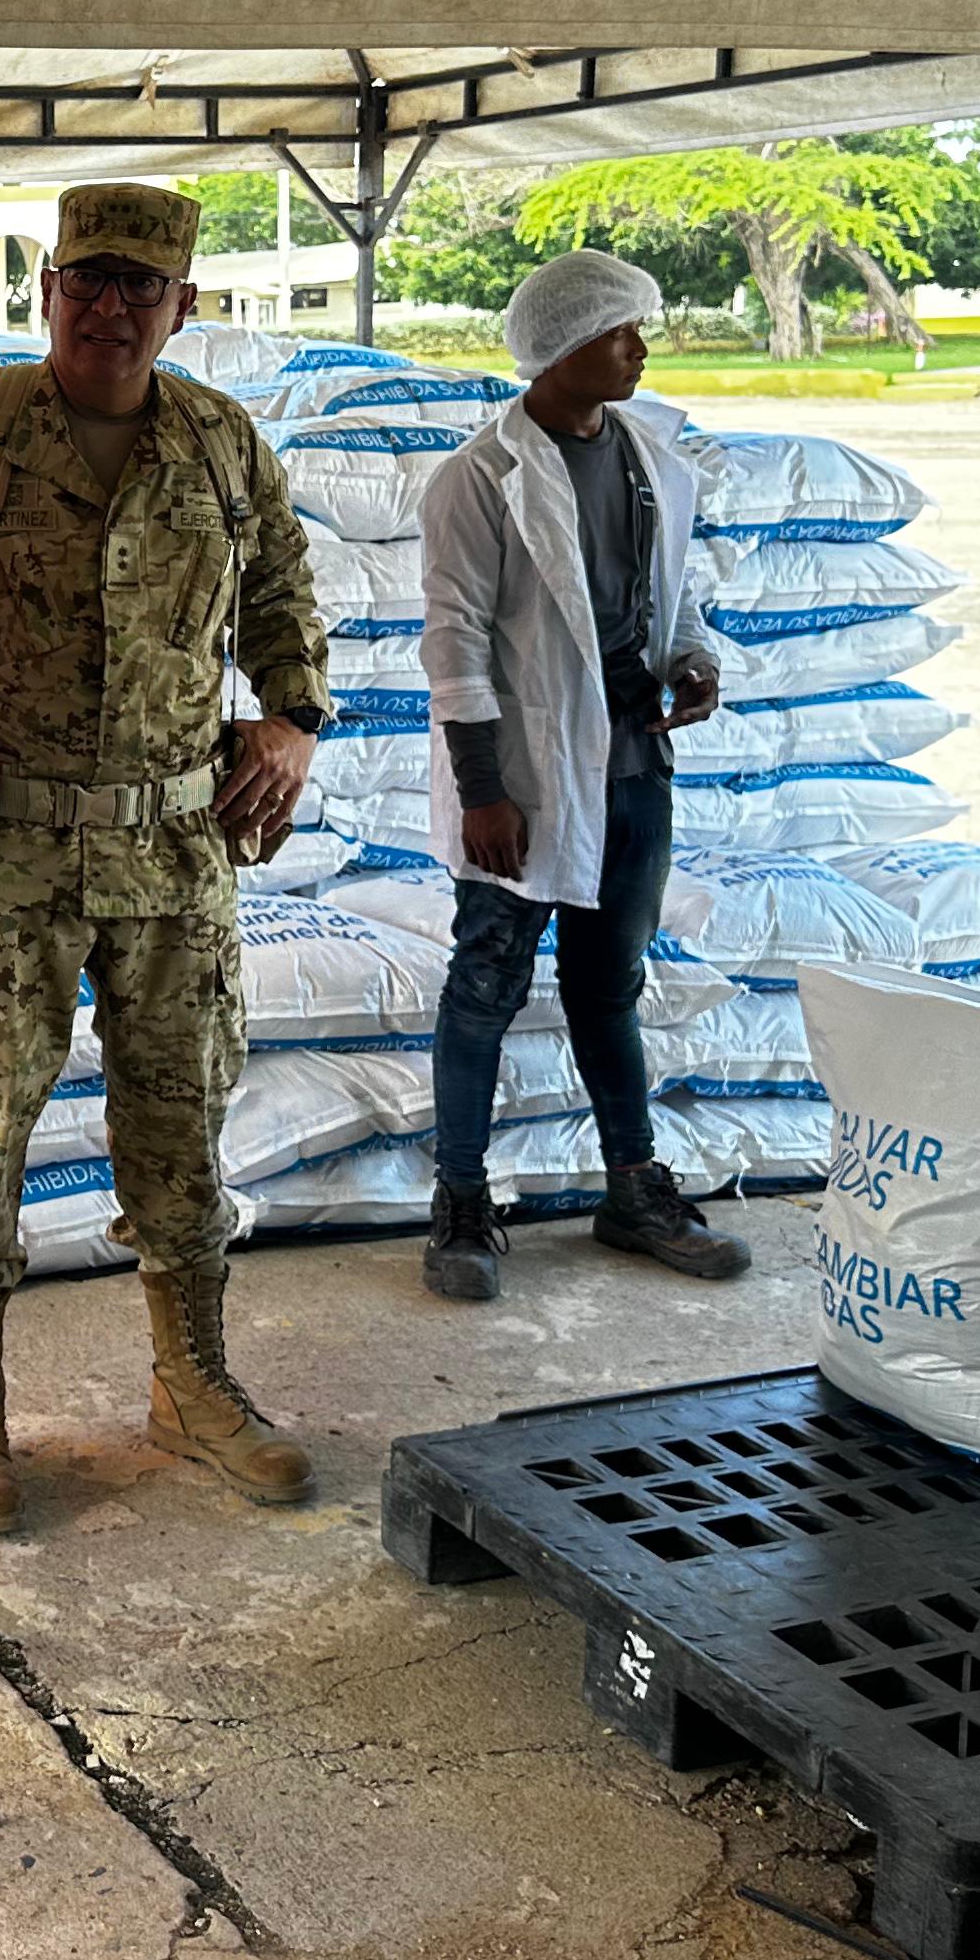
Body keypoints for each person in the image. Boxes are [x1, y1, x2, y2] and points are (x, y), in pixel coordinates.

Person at [0, 185, 330, 1538]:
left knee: (183, 1119)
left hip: (177, 845)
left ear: (183, 306)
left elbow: (283, 593)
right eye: (86, 282)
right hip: (6, 849)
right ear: (47, 289)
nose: (109, 310)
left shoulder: (222, 446)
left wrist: (290, 720)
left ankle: (193, 1382)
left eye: (141, 288)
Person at [412, 248, 751, 1303]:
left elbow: (670, 591)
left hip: (633, 766)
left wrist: (695, 663)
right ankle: (462, 1205)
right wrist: (482, 790)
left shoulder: (650, 457)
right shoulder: (481, 476)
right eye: (621, 333)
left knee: (610, 987)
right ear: (562, 348)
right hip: (524, 778)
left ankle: (631, 1190)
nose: (640, 351)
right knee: (484, 985)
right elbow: (455, 638)